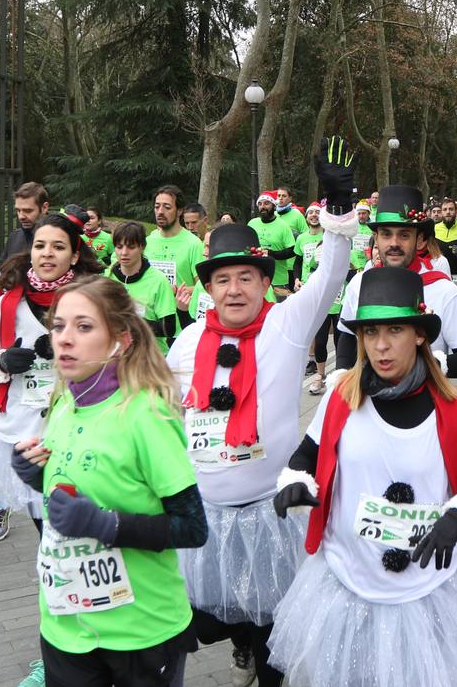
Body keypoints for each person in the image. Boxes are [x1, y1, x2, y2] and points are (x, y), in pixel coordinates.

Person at [167, 137, 357, 687]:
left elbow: (330, 276)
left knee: (277, 631)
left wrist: (339, 207)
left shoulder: (287, 324)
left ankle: (264, 654)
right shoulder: (186, 345)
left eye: (245, 276)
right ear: (207, 287)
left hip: (271, 513)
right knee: (215, 617)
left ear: (263, 280)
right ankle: (244, 643)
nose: (234, 289)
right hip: (207, 515)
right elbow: (160, 414)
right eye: (222, 279)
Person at [268, 266, 457, 687]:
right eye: (370, 333)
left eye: (395, 331)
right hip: (346, 581)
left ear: (420, 334)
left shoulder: (454, 410)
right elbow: (305, 455)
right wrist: (295, 481)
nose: (381, 346)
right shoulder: (341, 395)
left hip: (425, 590)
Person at [12, 277, 207, 686]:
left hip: (141, 630)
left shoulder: (146, 415)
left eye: (84, 327)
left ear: (119, 340)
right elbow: (84, 486)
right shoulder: (65, 401)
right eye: (58, 325)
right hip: (65, 625)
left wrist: (105, 525)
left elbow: (192, 528)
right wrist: (38, 475)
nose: (65, 339)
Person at [0, 205, 104, 546]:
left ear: (73, 256)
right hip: (25, 432)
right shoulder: (10, 303)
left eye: (58, 246)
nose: (47, 254)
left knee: (80, 527)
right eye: (40, 246)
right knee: (48, 532)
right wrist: (2, 361)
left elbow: (122, 355)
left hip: (82, 430)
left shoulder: (95, 300)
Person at [335, 185, 457, 381]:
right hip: (368, 402)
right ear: (376, 238)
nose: (394, 243)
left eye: (404, 234)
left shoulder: (444, 290)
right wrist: (342, 378)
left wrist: (424, 367)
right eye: (386, 234)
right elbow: (346, 336)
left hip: (426, 404)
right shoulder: (359, 283)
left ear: (420, 240)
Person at [294, 203, 343, 396]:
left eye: (317, 212)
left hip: (340, 300)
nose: (313, 215)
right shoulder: (302, 239)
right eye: (310, 212)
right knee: (320, 340)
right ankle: (320, 376)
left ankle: (341, 376)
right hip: (316, 294)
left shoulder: (331, 237)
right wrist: (298, 280)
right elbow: (302, 262)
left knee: (341, 341)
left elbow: (348, 267)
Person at [108, 222, 179, 350]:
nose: (124, 252)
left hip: (149, 356)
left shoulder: (158, 280)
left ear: (142, 247)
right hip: (115, 355)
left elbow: (169, 329)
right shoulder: (108, 276)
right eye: (119, 247)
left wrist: (131, 322)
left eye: (131, 247)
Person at [146, 185, 205, 326]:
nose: (160, 212)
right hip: (150, 323)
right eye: (157, 207)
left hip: (180, 324)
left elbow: (202, 286)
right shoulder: (148, 241)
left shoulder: (193, 244)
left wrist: (175, 290)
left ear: (179, 211)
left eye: (167, 207)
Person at [249, 191, 297, 299]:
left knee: (280, 313)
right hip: (255, 279)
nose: (263, 207)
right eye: (260, 204)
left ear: (274, 206)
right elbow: (246, 246)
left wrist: (271, 254)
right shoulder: (252, 223)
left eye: (266, 203)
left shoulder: (283, 226)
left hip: (278, 281)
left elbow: (293, 250)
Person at [2, 182, 51, 262]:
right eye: (18, 210)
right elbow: (3, 270)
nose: (21, 216)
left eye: (28, 211)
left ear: (44, 208)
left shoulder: (60, 238)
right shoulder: (14, 238)